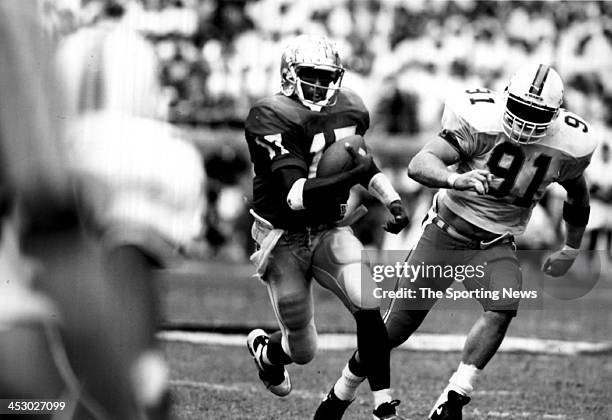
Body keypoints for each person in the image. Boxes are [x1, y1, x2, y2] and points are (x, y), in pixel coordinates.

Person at [315, 63, 596, 420]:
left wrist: (571, 247)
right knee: (394, 330)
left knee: (504, 305)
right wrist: (453, 180)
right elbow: (420, 164)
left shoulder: (568, 145)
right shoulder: (480, 121)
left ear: (554, 116)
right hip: (445, 235)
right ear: (506, 97)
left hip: (496, 242)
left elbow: (577, 195)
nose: (524, 120)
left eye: (535, 113)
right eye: (520, 108)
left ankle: (455, 396)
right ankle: (342, 391)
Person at [244, 35, 409, 420]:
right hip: (282, 237)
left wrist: (392, 199)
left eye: (325, 76)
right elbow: (296, 195)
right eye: (310, 76)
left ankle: (382, 404)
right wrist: (353, 174)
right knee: (303, 349)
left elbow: (360, 162)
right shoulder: (270, 115)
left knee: (368, 300)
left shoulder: (351, 107)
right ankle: (268, 352)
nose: (320, 84)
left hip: (330, 229)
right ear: (289, 76)